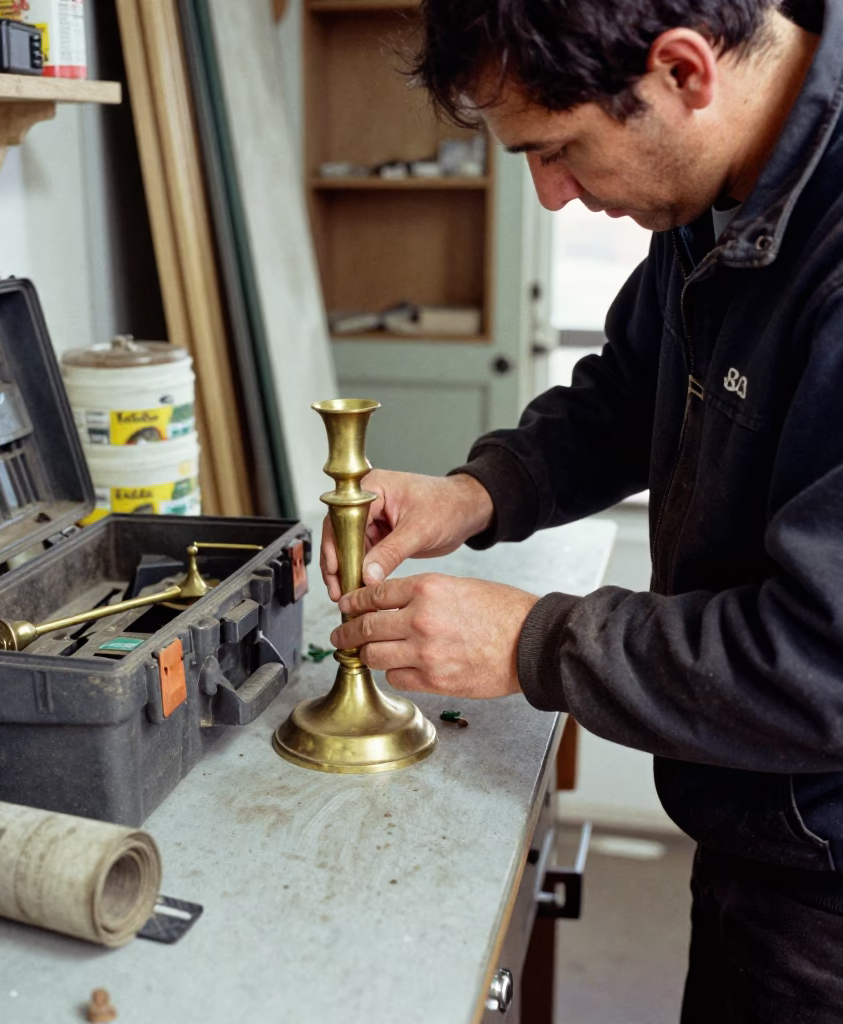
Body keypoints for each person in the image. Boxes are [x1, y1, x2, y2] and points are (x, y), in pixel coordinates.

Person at [319, 1, 843, 1020]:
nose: (551, 196)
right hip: (750, 812)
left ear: (684, 73)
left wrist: (532, 639)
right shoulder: (720, 189)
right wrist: (475, 493)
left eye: (560, 150)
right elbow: (626, 394)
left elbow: (820, 662)